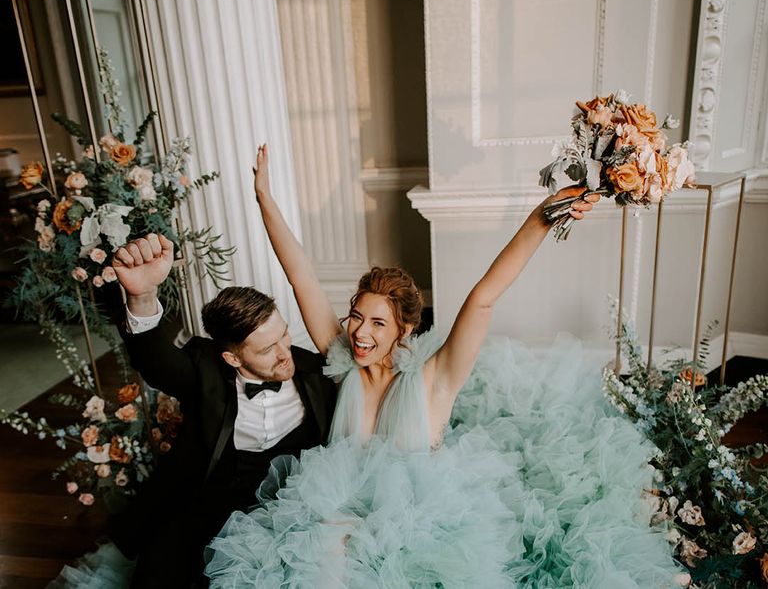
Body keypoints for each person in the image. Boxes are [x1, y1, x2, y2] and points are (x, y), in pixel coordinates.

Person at [204, 145, 685, 587]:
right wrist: (264, 196)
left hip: (416, 525)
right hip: (338, 513)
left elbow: (483, 299)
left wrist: (543, 216)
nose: (360, 332)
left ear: (403, 331)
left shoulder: (433, 381)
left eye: (377, 323)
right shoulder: (343, 363)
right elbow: (301, 275)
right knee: (316, 554)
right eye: (355, 316)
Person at [53, 232, 337, 588]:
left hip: (285, 503)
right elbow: (157, 364)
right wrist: (142, 296)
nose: (285, 353)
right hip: (208, 497)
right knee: (157, 576)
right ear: (233, 357)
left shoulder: (315, 371)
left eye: (283, 336)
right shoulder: (205, 367)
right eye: (267, 350)